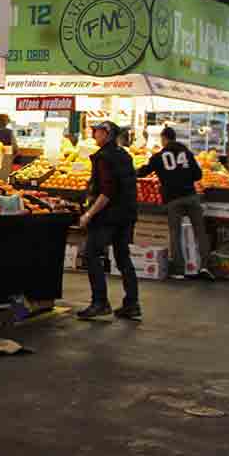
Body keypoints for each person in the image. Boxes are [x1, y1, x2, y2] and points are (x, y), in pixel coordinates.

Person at [76, 120, 141, 322]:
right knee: (123, 258)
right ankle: (132, 304)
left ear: (107, 134)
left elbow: (107, 192)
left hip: (108, 216)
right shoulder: (124, 155)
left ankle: (100, 302)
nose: (94, 134)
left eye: (97, 131)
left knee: (91, 254)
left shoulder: (104, 158)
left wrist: (89, 214)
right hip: (126, 214)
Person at [137, 126, 215, 280]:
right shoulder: (186, 153)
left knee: (175, 234)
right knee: (200, 231)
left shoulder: (158, 157)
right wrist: (184, 178)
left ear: (164, 139)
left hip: (173, 199)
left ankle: (179, 270)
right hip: (191, 196)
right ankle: (205, 266)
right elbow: (198, 175)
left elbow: (143, 172)